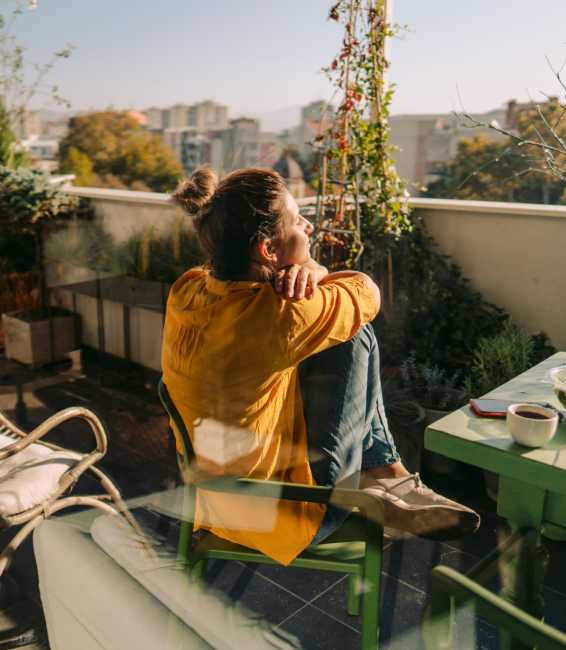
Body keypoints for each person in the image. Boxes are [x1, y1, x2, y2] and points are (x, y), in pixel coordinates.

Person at [162, 166, 479, 566]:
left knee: (326, 339)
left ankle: (386, 476)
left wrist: (308, 269)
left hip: (213, 501)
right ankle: (385, 475)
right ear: (267, 250)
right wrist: (316, 271)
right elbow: (367, 293)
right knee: (354, 334)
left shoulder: (187, 290)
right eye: (297, 221)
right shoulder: (282, 316)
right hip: (283, 513)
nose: (308, 226)